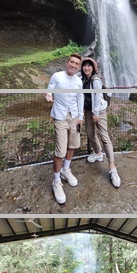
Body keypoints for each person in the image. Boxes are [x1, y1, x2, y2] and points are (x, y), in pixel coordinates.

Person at [46, 53, 84, 205]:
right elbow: (49, 89)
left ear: (78, 67)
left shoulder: (78, 81)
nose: (73, 65)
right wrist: (48, 95)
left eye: (76, 64)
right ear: (67, 62)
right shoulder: (57, 76)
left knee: (72, 145)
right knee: (60, 151)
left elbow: (80, 98)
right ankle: (56, 181)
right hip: (60, 117)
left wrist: (80, 116)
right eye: (72, 62)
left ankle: (65, 170)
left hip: (74, 117)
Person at [81, 58, 121, 188]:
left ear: (93, 67)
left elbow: (97, 96)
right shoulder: (83, 80)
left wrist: (96, 114)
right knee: (90, 133)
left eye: (89, 66)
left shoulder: (95, 80)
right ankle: (98, 153)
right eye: (84, 66)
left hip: (99, 111)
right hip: (87, 110)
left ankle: (112, 167)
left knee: (104, 136)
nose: (86, 68)